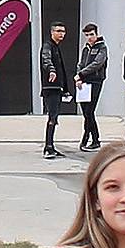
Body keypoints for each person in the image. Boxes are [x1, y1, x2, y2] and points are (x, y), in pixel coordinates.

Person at [40, 24, 75, 158]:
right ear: (52, 32)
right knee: (52, 117)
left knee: (54, 117)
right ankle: (48, 147)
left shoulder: (56, 47)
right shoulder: (48, 46)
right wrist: (51, 70)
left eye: (63, 31)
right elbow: (46, 59)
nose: (62, 34)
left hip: (57, 87)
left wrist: (65, 89)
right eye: (58, 31)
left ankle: (51, 146)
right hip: (51, 87)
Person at [74, 26, 107, 153]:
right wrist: (79, 76)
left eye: (91, 34)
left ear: (97, 34)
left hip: (95, 81)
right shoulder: (86, 48)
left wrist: (81, 74)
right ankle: (94, 138)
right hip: (84, 82)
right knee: (86, 112)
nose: (89, 37)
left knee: (90, 111)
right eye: (87, 35)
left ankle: (88, 138)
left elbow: (97, 64)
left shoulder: (102, 48)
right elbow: (80, 63)